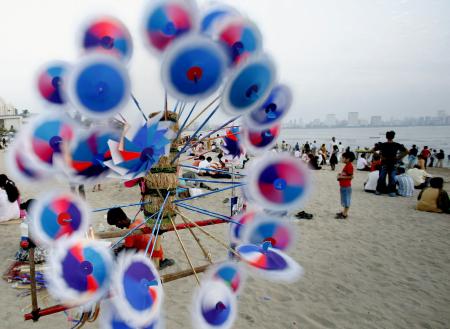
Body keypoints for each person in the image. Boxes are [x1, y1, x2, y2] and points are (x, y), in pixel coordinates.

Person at [106, 207, 175, 269]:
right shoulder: (139, 221)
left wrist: (117, 252)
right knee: (122, 245)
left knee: (116, 257)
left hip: (152, 259)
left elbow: (127, 251)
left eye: (116, 224)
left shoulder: (130, 232)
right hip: (159, 253)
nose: (116, 226)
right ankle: (162, 261)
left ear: (119, 220)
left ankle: (158, 264)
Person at [373, 131, 407, 197]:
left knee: (382, 177)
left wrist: (380, 156)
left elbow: (372, 150)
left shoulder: (383, 144)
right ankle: (391, 192)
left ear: (386, 137)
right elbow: (406, 151)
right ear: (393, 137)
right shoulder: (396, 144)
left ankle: (379, 190)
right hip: (393, 163)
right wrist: (399, 157)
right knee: (392, 177)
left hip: (384, 163)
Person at [336, 151, 355, 219]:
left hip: (346, 186)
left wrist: (341, 177)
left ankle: (345, 214)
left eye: (343, 158)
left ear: (348, 159)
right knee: (344, 199)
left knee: (346, 200)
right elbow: (346, 174)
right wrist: (340, 175)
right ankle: (344, 212)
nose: (342, 159)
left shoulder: (349, 166)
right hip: (343, 186)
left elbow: (351, 176)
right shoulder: (347, 165)